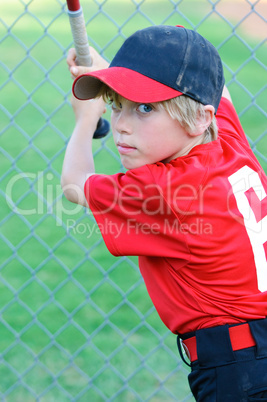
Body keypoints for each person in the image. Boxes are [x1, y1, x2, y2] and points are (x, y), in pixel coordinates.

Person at [62, 25, 267, 401]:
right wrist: (114, 73)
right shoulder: (229, 143)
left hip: (238, 375)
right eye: (116, 104)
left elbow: (75, 182)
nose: (121, 124)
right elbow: (216, 88)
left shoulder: (168, 190)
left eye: (145, 109)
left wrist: (85, 120)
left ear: (201, 118)